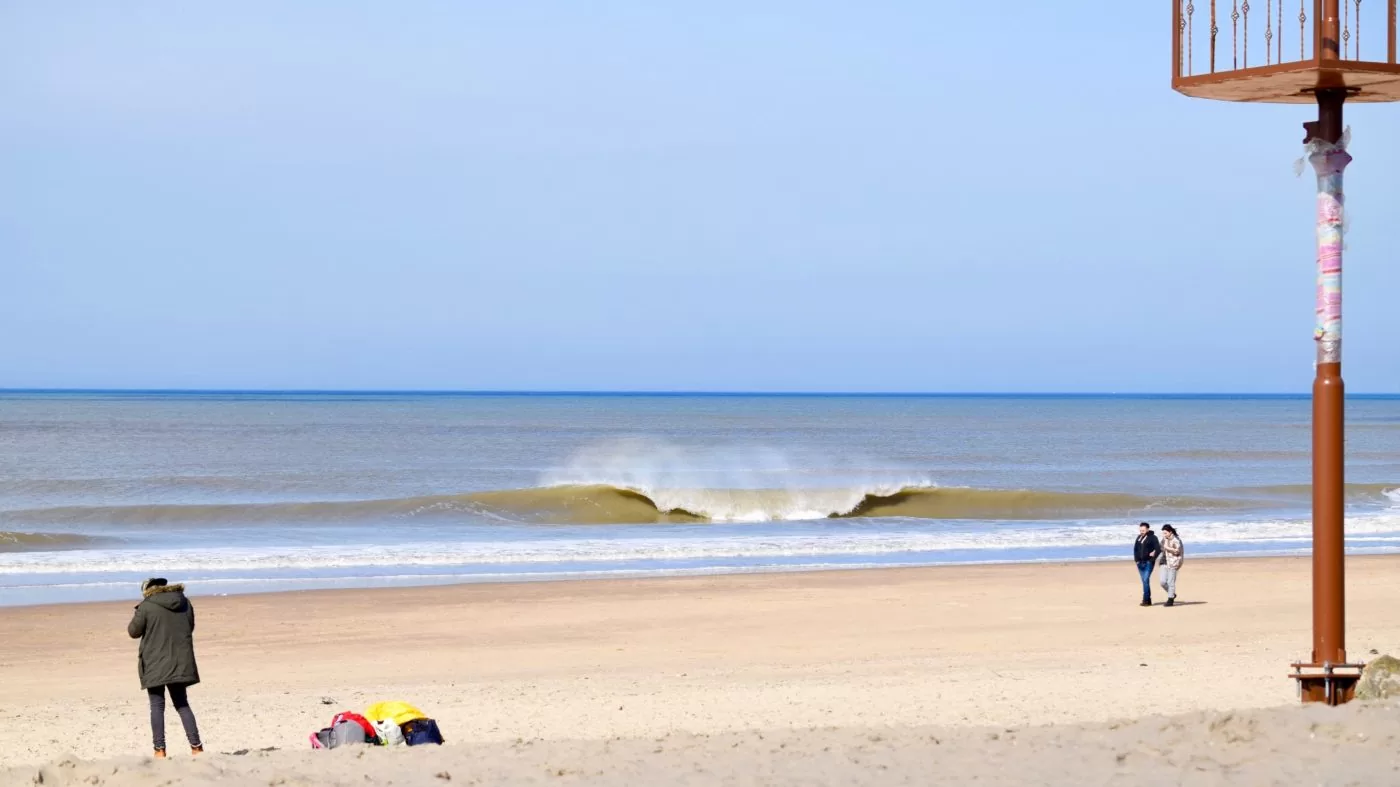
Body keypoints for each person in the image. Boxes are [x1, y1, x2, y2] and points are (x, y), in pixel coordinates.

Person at [128, 578, 203, 759]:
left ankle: (159, 750)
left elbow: (133, 631)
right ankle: (197, 748)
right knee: (182, 704)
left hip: (155, 661)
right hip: (180, 660)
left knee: (157, 706)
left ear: (148, 591)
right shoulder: (184, 602)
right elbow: (189, 627)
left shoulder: (146, 606)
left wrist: (140, 611)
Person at [1132, 522, 1160, 606]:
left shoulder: (1153, 538)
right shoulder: (1139, 537)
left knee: (1145, 580)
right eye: (1140, 530)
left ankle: (1145, 600)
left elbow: (1158, 549)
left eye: (1143, 530)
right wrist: (1136, 560)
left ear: (1147, 529)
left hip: (1148, 562)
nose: (1141, 532)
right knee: (1145, 582)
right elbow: (1135, 549)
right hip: (1139, 563)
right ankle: (1148, 600)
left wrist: (1152, 559)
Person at [1158, 524, 1184, 607]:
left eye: (1165, 533)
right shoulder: (1164, 540)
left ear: (1170, 532)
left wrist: (1167, 548)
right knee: (1162, 582)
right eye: (1163, 533)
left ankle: (1170, 599)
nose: (1164, 535)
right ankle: (1172, 593)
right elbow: (1160, 548)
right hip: (1164, 562)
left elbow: (1178, 551)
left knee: (1170, 582)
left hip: (1173, 563)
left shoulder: (1176, 540)